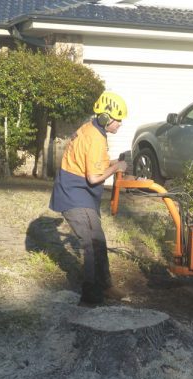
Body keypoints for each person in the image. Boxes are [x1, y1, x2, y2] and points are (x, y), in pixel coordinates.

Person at [50, 91, 128, 306]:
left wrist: (114, 161)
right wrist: (117, 167)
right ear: (105, 117)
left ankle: (106, 286)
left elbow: (94, 162)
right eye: (118, 119)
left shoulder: (93, 130)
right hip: (74, 195)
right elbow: (94, 177)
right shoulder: (94, 137)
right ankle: (91, 298)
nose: (120, 124)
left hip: (80, 192)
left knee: (99, 240)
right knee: (92, 244)